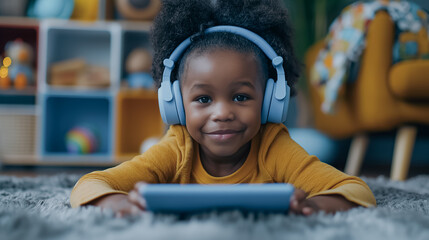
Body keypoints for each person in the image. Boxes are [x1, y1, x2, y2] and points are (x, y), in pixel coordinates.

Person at [70, 0, 376, 217]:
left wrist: (317, 207)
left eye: (241, 97)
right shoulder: (177, 148)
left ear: (271, 98)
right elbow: (89, 186)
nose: (222, 113)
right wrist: (117, 205)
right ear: (175, 103)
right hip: (165, 150)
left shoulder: (273, 146)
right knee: (151, 153)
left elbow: (356, 190)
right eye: (203, 99)